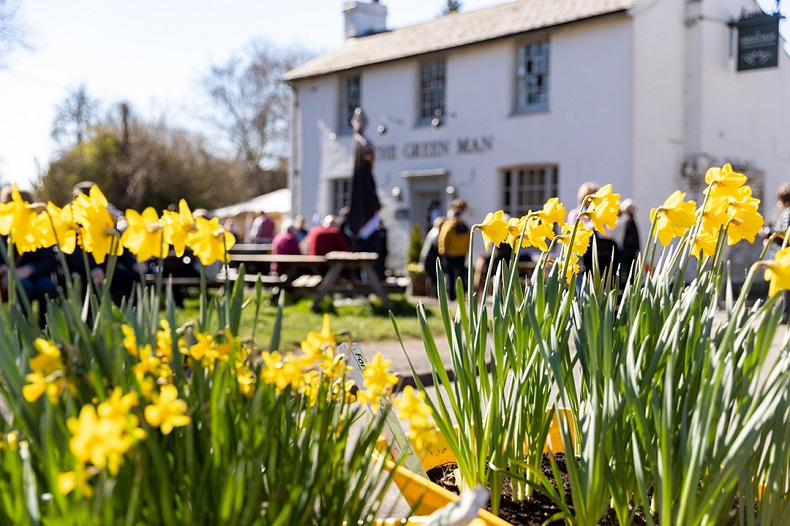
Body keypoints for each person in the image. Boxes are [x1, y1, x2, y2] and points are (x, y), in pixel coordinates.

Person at [0, 186, 59, 327]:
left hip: (38, 274)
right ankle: (23, 329)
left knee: (47, 287)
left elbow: (50, 259)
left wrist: (31, 268)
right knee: (24, 287)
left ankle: (47, 327)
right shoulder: (3, 229)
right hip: (12, 279)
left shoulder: (38, 226)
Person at [763, 183, 790, 322]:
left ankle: (784, 315)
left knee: (785, 287)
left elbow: (781, 230)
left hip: (785, 255)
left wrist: (767, 234)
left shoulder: (787, 212)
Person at [438, 198, 471, 301]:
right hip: (461, 253)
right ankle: (460, 294)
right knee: (460, 275)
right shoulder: (465, 225)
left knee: (450, 275)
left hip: (450, 253)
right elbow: (468, 239)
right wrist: (465, 250)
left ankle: (451, 295)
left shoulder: (448, 225)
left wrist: (442, 251)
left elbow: (443, 238)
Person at [616, 198, 641, 284]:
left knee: (629, 269)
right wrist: (637, 249)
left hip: (626, 249)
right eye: (632, 207)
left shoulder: (627, 219)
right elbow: (634, 236)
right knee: (627, 269)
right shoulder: (627, 220)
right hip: (627, 250)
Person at [420, 215, 445, 296]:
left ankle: (432, 294)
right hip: (431, 259)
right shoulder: (436, 233)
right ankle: (434, 294)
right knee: (435, 277)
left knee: (433, 278)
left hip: (430, 258)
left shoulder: (433, 231)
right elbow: (438, 246)